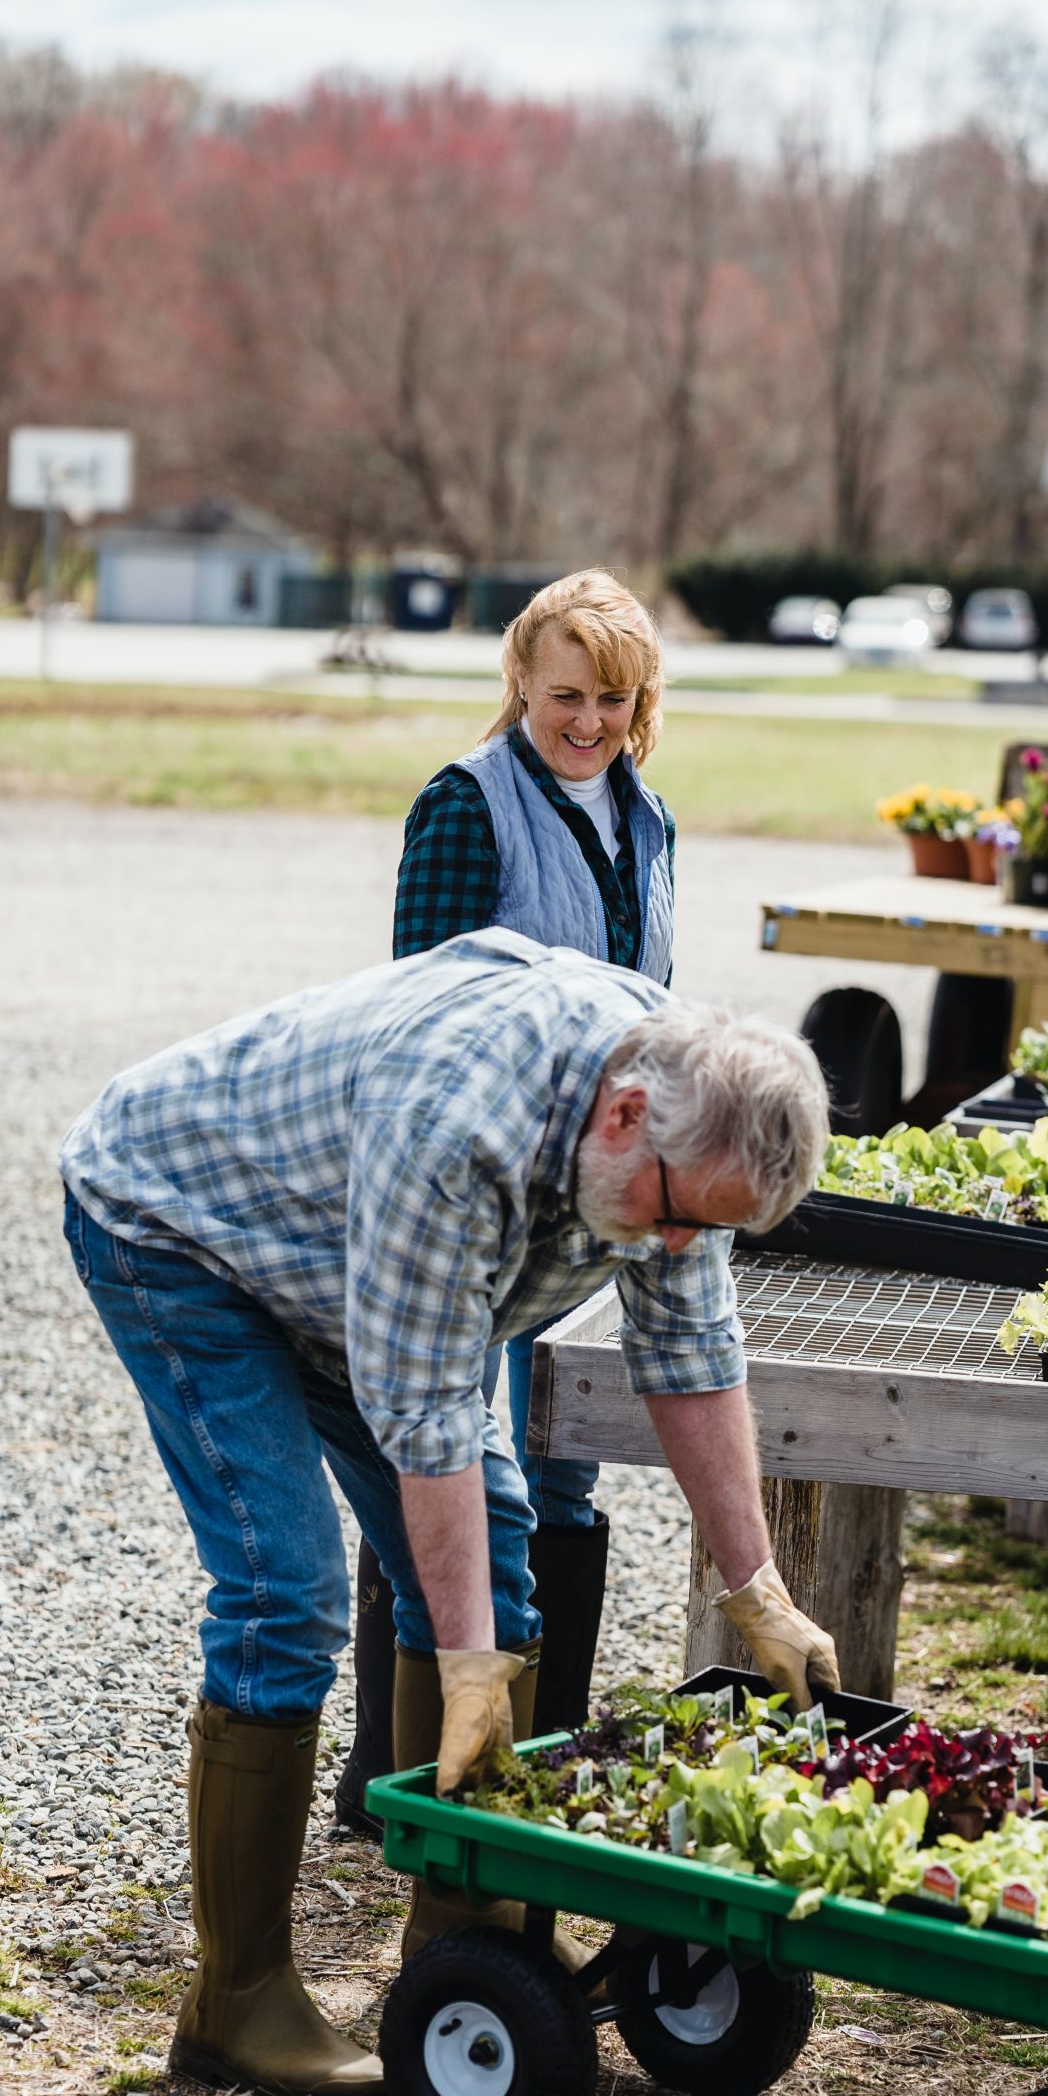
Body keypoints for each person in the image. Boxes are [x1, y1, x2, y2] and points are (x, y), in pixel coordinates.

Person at [60, 935, 836, 2096]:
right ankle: (237, 1999)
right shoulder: (462, 1128)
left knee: (499, 1568)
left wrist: (756, 1588)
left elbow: (690, 1352)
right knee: (289, 1592)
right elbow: (426, 1415)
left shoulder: (693, 1123)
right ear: (623, 1116)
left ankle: (462, 1946)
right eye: (676, 1220)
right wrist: (466, 1662)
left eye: (703, 1231)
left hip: (347, 1261)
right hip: (187, 1235)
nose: (675, 1247)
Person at [333, 569, 675, 1834]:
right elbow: (416, 1005)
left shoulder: (649, 817)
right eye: (568, 694)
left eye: (614, 699)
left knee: (565, 1468)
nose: (588, 721)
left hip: (591, 1196)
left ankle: (530, 1772)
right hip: (478, 1188)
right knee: (445, 1456)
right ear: (522, 680)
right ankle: (394, 1773)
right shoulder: (468, 806)